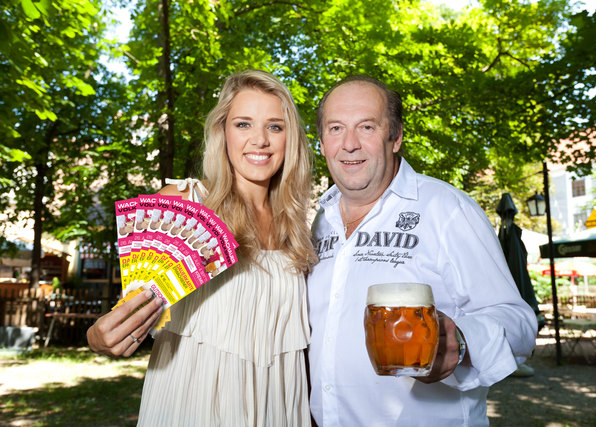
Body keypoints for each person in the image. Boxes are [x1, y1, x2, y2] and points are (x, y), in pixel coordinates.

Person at [87, 70, 318, 426]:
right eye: (243, 124)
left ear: (291, 139)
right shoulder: (183, 205)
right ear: (222, 132)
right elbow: (129, 312)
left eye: (275, 126)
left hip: (278, 405)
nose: (259, 140)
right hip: (194, 402)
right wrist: (99, 336)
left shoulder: (298, 229)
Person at [307, 75, 538, 426]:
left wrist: (460, 343)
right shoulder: (314, 222)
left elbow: (518, 321)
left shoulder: (446, 209)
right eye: (336, 128)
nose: (349, 144)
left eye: (367, 127)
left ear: (395, 137)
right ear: (322, 143)